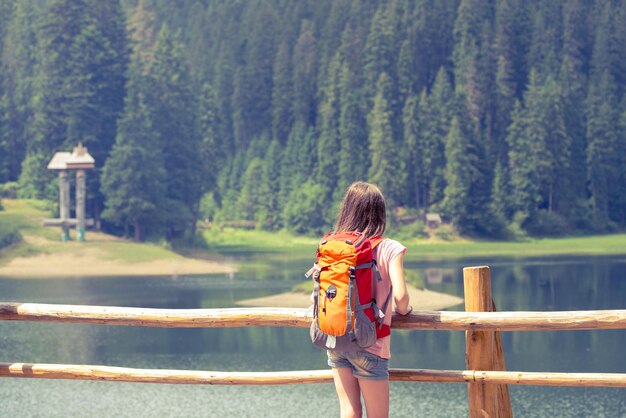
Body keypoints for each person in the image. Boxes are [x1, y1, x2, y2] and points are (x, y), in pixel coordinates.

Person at [326, 181, 412, 418]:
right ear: (380, 212)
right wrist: (406, 309)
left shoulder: (334, 245)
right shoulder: (389, 248)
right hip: (371, 343)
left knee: (350, 411)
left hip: (336, 338)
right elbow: (401, 299)